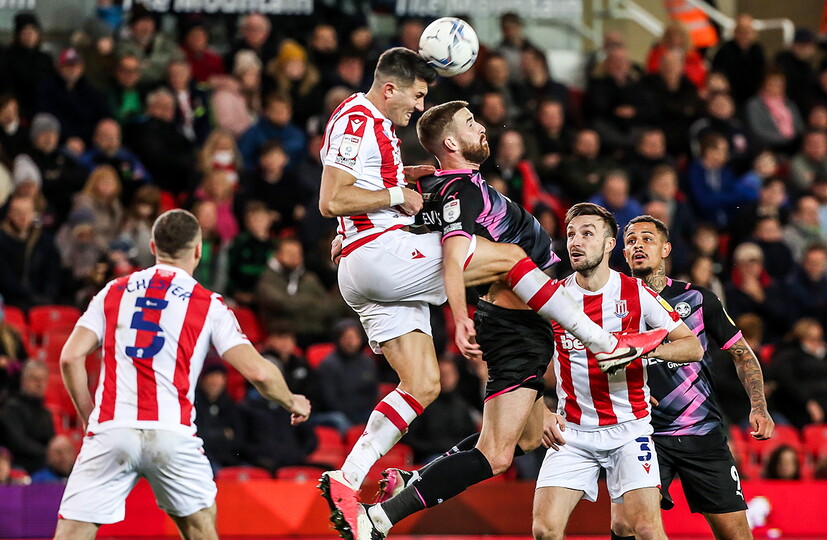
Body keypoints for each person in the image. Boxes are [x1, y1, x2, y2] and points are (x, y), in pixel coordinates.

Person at [317, 56, 656, 530]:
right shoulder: (366, 122)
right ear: (391, 88)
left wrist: (368, 219)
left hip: (387, 262)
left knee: (433, 390)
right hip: (493, 311)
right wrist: (460, 318)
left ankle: (353, 479)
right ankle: (606, 345)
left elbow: (395, 194)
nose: (418, 107)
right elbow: (337, 199)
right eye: (417, 96)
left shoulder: (431, 176)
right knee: (512, 262)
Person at [52, 209, 311, 540]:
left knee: (72, 534)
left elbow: (71, 357)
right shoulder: (208, 304)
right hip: (171, 434)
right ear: (199, 250)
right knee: (201, 528)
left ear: (152, 246)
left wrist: (90, 416)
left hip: (112, 429)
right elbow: (258, 371)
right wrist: (292, 401)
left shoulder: (114, 291)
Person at [533, 204, 702, 540]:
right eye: (570, 235)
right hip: (574, 430)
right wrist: (540, 408)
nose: (575, 242)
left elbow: (692, 345)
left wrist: (642, 351)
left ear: (610, 244)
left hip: (629, 429)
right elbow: (527, 360)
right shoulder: (554, 297)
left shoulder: (637, 293)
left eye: (586, 233)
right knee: (544, 530)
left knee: (645, 528)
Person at [621, 214, 775, 540]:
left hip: (702, 435)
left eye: (647, 239)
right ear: (623, 254)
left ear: (666, 248)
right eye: (631, 241)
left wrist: (759, 406)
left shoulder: (699, 299)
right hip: (641, 436)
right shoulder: (613, 304)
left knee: (737, 536)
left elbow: (743, 354)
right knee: (630, 529)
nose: (638, 245)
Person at [0, 360, 54, 473]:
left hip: (44, 466)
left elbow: (51, 442)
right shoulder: (11, 408)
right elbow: (18, 443)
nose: (39, 384)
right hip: (19, 467)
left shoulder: (46, 413)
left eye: (43, 380)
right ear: (24, 381)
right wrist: (49, 453)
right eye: (35, 379)